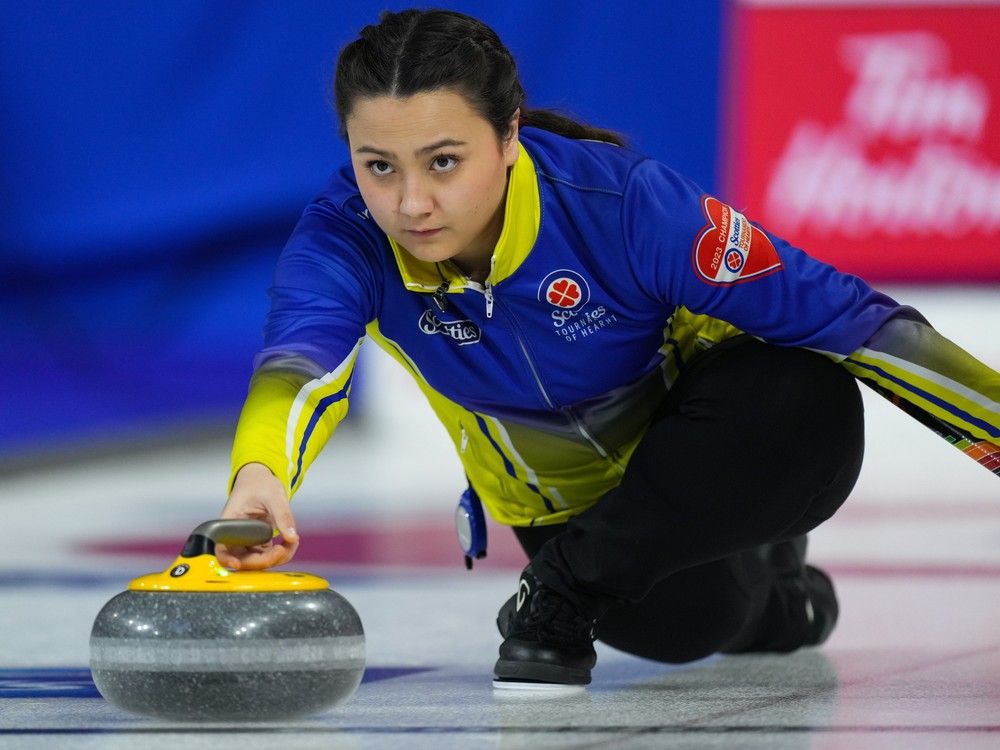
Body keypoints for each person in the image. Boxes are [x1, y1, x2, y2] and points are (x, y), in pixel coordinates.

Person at [218, 8, 1000, 686]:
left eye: (444, 162)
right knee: (693, 630)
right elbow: (301, 364)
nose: (411, 203)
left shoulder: (627, 206)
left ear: (509, 137)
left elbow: (858, 324)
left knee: (811, 398)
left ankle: (568, 586)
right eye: (378, 166)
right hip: (567, 506)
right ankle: (777, 595)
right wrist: (260, 475)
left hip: (701, 441)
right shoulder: (342, 238)